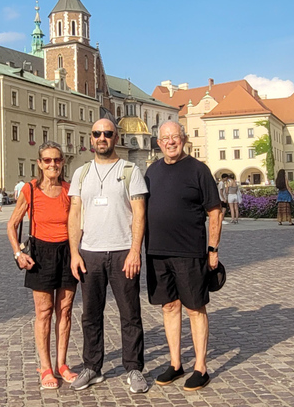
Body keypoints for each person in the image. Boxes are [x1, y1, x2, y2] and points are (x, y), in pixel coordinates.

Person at [68, 118, 149, 394]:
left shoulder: (130, 171)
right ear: (91, 138)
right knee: (90, 315)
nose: (102, 137)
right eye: (97, 133)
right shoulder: (80, 173)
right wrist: (74, 253)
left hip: (122, 251)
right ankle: (92, 367)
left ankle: (134, 368)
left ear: (116, 138)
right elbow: (75, 214)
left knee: (130, 313)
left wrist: (135, 251)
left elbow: (139, 213)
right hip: (89, 253)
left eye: (107, 133)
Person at [145, 121, 222, 391]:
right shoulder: (151, 171)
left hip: (190, 251)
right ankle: (176, 363)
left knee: (195, 308)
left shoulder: (199, 170)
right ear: (158, 143)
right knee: (169, 307)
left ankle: (200, 366)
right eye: (165, 138)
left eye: (175, 137)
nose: (170, 142)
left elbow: (215, 212)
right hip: (157, 251)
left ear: (184, 139)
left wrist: (212, 249)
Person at [7, 141, 79, 389]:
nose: (52, 164)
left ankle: (62, 364)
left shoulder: (70, 190)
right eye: (47, 160)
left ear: (62, 163)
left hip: (67, 252)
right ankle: (46, 367)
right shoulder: (30, 190)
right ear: (39, 164)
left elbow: (78, 224)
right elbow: (11, 224)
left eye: (57, 160)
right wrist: (18, 253)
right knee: (44, 312)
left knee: (66, 311)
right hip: (40, 254)